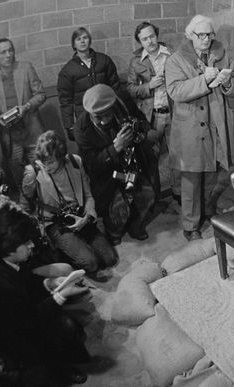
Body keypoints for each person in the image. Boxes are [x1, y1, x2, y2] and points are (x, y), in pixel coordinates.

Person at [0, 199, 90, 385]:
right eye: (25, 242)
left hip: (26, 316)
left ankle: (63, 363)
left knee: (68, 325)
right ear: (9, 246)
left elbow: (27, 281)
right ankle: (60, 370)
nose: (31, 245)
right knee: (64, 327)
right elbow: (29, 322)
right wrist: (61, 295)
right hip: (18, 339)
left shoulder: (7, 258)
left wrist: (51, 283)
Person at [165, 14, 234, 241]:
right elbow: (175, 91)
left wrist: (228, 82)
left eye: (210, 34)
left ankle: (208, 209)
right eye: (201, 35)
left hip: (217, 123)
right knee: (191, 178)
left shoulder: (222, 53)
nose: (207, 39)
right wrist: (204, 80)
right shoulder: (176, 60)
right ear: (190, 36)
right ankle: (190, 225)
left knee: (216, 172)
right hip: (190, 126)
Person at [22, 130, 118, 276]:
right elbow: (24, 206)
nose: (47, 167)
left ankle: (79, 245)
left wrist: (88, 217)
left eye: (51, 162)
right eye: (44, 162)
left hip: (79, 216)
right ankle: (64, 253)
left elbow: (88, 195)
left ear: (61, 156)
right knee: (91, 264)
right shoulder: (33, 172)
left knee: (110, 259)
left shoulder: (74, 161)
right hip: (56, 224)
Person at [72, 84, 157, 244]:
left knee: (147, 195)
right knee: (119, 207)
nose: (104, 121)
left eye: (107, 115)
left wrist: (139, 132)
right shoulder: (81, 129)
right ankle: (114, 231)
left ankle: (135, 226)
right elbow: (92, 164)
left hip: (132, 166)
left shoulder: (123, 102)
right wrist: (115, 148)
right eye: (98, 117)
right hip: (109, 175)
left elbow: (142, 121)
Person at [0, 38, 46, 198]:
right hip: (10, 137)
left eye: (10, 50)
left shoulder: (25, 67)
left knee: (41, 174)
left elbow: (41, 94)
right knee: (21, 179)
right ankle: (29, 211)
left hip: (32, 131)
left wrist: (26, 107)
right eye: (3, 52)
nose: (8, 54)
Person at [126, 21, 176, 202]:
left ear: (157, 35)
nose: (150, 41)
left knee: (177, 155)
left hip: (174, 113)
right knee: (151, 158)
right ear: (140, 42)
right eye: (145, 39)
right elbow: (130, 89)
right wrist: (149, 86)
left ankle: (178, 193)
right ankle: (154, 198)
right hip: (151, 117)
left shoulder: (171, 54)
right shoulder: (135, 61)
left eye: (152, 36)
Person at [57, 27, 120, 141]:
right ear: (74, 44)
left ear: (89, 41)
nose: (82, 41)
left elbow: (115, 87)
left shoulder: (104, 60)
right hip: (85, 118)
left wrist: (120, 112)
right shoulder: (67, 71)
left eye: (85, 38)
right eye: (78, 39)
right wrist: (69, 126)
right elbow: (66, 101)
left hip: (109, 114)